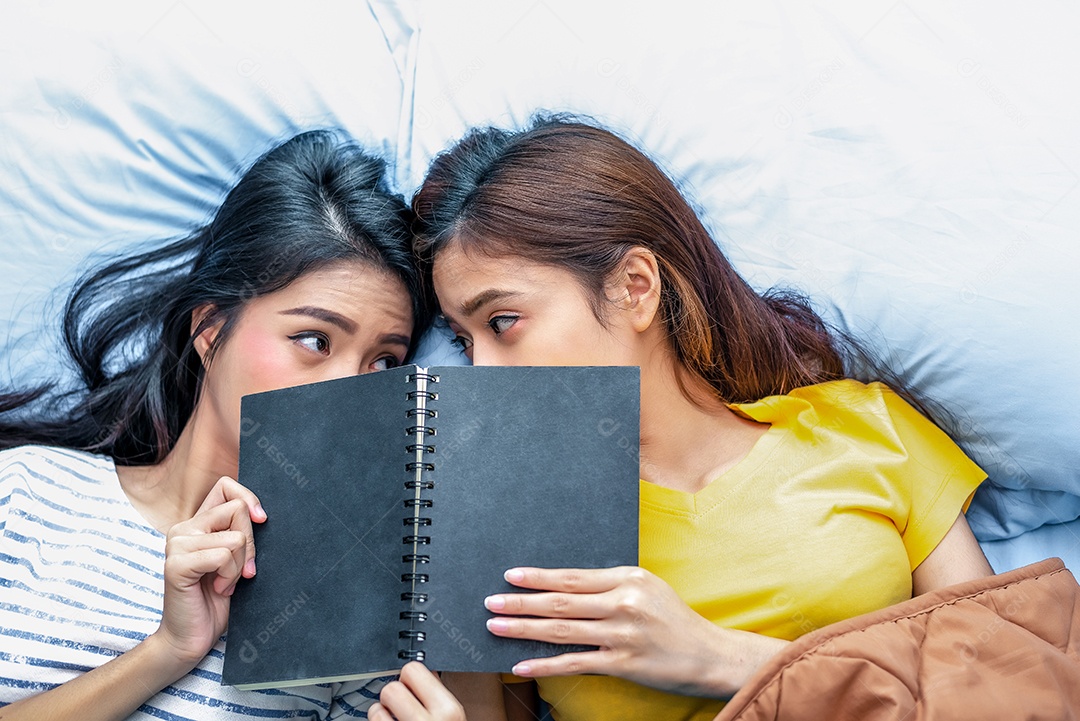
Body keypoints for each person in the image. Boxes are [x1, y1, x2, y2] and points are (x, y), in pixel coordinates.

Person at [408, 116, 996, 720]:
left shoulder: (865, 431)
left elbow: (1004, 682)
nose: (482, 372)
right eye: (462, 340)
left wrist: (716, 659)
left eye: (503, 322)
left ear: (634, 288)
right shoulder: (497, 523)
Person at [0, 129, 483, 720]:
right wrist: (167, 651)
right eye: (314, 339)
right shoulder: (24, 492)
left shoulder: (356, 605)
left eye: (383, 361)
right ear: (210, 331)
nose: (349, 389)